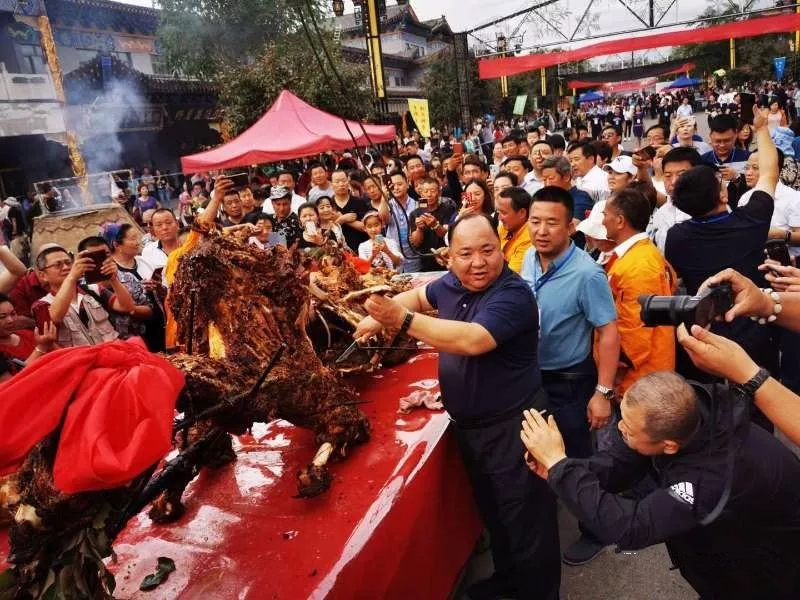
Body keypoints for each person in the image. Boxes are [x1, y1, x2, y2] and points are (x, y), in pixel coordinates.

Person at [354, 213, 561, 600]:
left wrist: (400, 320)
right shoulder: (451, 282)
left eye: (488, 250)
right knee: (496, 514)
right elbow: (419, 295)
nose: (478, 262)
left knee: (527, 522)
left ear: (502, 250)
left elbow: (472, 340)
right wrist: (375, 317)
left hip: (515, 427)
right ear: (448, 257)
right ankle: (508, 583)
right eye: (466, 253)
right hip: (471, 427)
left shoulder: (513, 294)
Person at [520, 368, 800, 599]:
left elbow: (633, 527)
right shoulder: (681, 413)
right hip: (721, 548)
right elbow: (620, 462)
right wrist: (563, 469)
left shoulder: (709, 476)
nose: (619, 429)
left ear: (668, 446)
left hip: (767, 571)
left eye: (628, 429)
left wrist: (560, 467)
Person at [520, 186, 620, 565]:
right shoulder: (529, 257)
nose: (541, 231)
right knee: (538, 452)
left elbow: (608, 332)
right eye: (535, 221)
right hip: (534, 376)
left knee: (576, 458)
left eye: (551, 223)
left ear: (570, 227)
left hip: (571, 381)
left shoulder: (587, 274)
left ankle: (594, 531)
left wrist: (603, 392)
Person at [666, 109, 778, 396]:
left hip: (704, 333)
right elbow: (769, 173)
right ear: (723, 195)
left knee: (710, 409)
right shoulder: (750, 221)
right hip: (754, 327)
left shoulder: (676, 237)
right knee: (760, 397)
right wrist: (762, 129)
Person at [602, 188, 677, 394]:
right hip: (646, 375)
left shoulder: (639, 264)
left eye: (605, 215)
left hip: (639, 379)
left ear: (619, 221)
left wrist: (615, 370)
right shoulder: (642, 254)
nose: (602, 221)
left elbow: (636, 328)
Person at [30, 238, 136, 348]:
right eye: (58, 265)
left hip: (114, 352)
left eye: (68, 263)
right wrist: (72, 277)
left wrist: (114, 280)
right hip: (81, 362)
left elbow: (127, 306)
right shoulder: (41, 305)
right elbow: (55, 317)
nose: (66, 267)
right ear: (43, 275)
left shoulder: (92, 289)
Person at [409, 177, 457, 272]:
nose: (429, 194)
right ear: (421, 193)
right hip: (425, 261)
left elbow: (449, 236)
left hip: (445, 258)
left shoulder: (448, 209)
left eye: (432, 191)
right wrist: (419, 229)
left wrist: (435, 225)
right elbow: (415, 243)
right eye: (426, 191)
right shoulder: (415, 213)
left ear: (439, 193)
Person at [0, 292, 56, 369]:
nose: (10, 320)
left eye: (13, 314)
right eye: (2, 317)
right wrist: (42, 347)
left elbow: (63, 356)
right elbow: (17, 379)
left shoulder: (28, 334)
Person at [540, 156, 593, 222]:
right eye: (544, 180)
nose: (547, 184)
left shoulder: (581, 200)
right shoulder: (545, 199)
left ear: (566, 177)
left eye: (551, 178)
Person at [495, 187, 532, 274]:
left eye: (504, 213)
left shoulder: (529, 239)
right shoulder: (505, 227)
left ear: (522, 213)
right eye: (499, 212)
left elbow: (511, 274)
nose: (499, 218)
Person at [330, 169, 369, 251]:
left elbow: (365, 227)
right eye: (337, 182)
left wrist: (343, 219)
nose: (341, 184)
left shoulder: (360, 202)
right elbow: (328, 231)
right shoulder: (329, 205)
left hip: (360, 249)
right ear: (332, 184)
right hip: (338, 252)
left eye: (343, 180)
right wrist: (343, 219)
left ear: (348, 181)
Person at [568, 140, 610, 204]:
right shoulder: (578, 178)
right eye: (571, 161)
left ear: (591, 159)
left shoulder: (602, 181)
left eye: (576, 159)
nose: (572, 164)